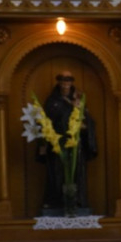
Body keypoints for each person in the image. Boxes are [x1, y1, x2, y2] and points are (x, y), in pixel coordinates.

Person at [38, 71, 98, 214]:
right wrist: (44, 142)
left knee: (76, 172)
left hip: (75, 144)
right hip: (58, 143)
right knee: (56, 173)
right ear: (59, 82)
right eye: (63, 81)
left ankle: (77, 201)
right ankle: (55, 202)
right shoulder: (52, 101)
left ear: (71, 83)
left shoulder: (78, 100)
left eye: (68, 81)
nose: (65, 84)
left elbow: (87, 120)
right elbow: (46, 122)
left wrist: (83, 124)